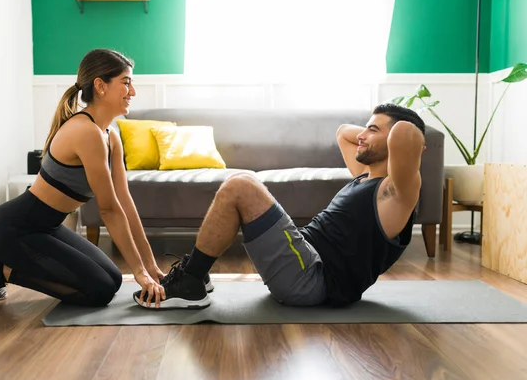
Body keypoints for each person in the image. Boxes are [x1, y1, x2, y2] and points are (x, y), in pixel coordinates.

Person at [134, 103, 426, 309]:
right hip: (304, 260)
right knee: (242, 182)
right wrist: (374, 130)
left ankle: (190, 283)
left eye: (372, 129)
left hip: (314, 278)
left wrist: (404, 133)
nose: (361, 135)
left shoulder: (397, 193)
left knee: (242, 185)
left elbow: (404, 134)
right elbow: (342, 132)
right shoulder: (364, 177)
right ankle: (196, 274)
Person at [0, 49, 167, 310]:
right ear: (100, 86)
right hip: (14, 229)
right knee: (100, 290)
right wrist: (139, 272)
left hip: (47, 228)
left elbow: (124, 203)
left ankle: (1, 266)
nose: (133, 91)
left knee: (114, 278)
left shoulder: (110, 137)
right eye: (126, 82)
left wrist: (150, 267)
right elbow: (108, 209)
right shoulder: (86, 132)